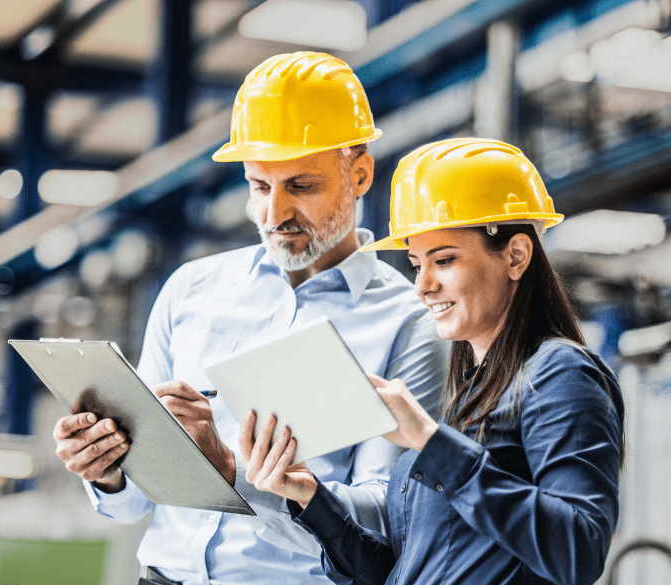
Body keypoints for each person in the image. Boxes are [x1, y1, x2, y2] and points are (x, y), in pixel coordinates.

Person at [51, 52, 448, 585]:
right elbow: (132, 506)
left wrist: (236, 472)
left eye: (301, 186)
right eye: (260, 186)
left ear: (359, 173)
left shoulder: (410, 325)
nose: (274, 214)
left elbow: (386, 519)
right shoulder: (190, 291)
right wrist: (109, 470)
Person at [241, 137, 626, 585]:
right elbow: (406, 571)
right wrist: (311, 500)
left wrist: (429, 441)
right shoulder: (465, 402)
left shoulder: (560, 374)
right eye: (415, 263)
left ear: (516, 256)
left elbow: (579, 551)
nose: (422, 286)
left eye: (443, 260)